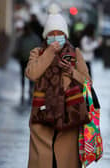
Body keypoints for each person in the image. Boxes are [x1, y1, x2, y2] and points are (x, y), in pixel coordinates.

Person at [25, 4, 91, 168]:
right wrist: (49, 53)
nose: (55, 38)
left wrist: (72, 72)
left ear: (65, 35)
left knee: (63, 160)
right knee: (44, 158)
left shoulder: (75, 54)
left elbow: (87, 82)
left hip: (69, 115)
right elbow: (32, 74)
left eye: (59, 34)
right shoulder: (37, 52)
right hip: (42, 115)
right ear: (46, 37)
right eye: (51, 35)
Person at [14, 22, 41, 105]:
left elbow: (38, 48)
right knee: (23, 76)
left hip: (31, 61)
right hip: (23, 60)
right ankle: (23, 92)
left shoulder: (34, 38)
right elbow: (18, 47)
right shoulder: (21, 38)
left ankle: (30, 92)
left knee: (31, 78)